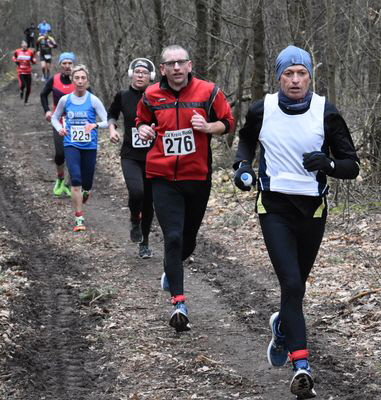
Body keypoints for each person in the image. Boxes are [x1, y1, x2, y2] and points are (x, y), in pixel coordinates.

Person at [233, 45, 360, 399]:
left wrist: (327, 164)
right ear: (278, 78)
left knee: (296, 287)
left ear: (309, 77)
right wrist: (242, 167)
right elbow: (245, 141)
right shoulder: (263, 109)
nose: (294, 79)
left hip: (312, 212)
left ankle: (282, 327)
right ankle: (301, 366)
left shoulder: (326, 112)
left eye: (301, 73)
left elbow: (352, 165)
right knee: (291, 284)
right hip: (273, 207)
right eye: (288, 73)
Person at [137, 45, 234, 332]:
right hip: (162, 176)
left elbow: (228, 123)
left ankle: (172, 268)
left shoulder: (209, 91)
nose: (176, 68)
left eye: (181, 63)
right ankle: (179, 303)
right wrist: (144, 128)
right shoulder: (151, 94)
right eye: (171, 64)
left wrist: (207, 127)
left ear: (189, 65)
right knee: (174, 237)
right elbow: (142, 120)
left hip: (197, 177)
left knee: (188, 239)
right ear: (163, 68)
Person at [108, 58, 156, 259]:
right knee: (136, 192)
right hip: (130, 155)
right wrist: (112, 129)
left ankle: (144, 242)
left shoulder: (158, 97)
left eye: (144, 73)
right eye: (137, 72)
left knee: (149, 201)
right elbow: (112, 114)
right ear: (131, 74)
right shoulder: (123, 96)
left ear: (150, 77)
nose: (140, 75)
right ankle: (134, 219)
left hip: (154, 156)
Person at [51, 65, 108, 232]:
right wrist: (60, 128)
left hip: (89, 146)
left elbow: (107, 120)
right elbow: (55, 118)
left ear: (87, 80)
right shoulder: (65, 100)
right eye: (77, 78)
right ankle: (79, 218)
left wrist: (95, 124)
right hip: (71, 144)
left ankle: (85, 193)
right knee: (76, 180)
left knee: (87, 185)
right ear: (72, 80)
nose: (80, 81)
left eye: (83, 78)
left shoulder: (93, 100)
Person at [40, 52, 76, 197]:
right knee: (60, 154)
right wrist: (47, 111)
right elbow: (43, 95)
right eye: (64, 63)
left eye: (70, 63)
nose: (67, 66)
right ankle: (60, 178)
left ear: (73, 65)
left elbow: (91, 97)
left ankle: (70, 183)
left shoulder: (79, 79)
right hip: (59, 122)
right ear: (60, 65)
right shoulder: (54, 79)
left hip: (77, 124)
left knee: (75, 154)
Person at [12, 40, 36, 105]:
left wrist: (34, 60)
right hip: (20, 71)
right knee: (23, 84)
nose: (25, 46)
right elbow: (13, 57)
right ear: (21, 45)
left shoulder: (30, 52)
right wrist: (15, 61)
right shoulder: (17, 51)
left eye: (26, 45)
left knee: (28, 87)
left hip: (28, 71)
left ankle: (26, 101)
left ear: (27, 45)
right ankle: (21, 91)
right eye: (23, 45)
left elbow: (33, 60)